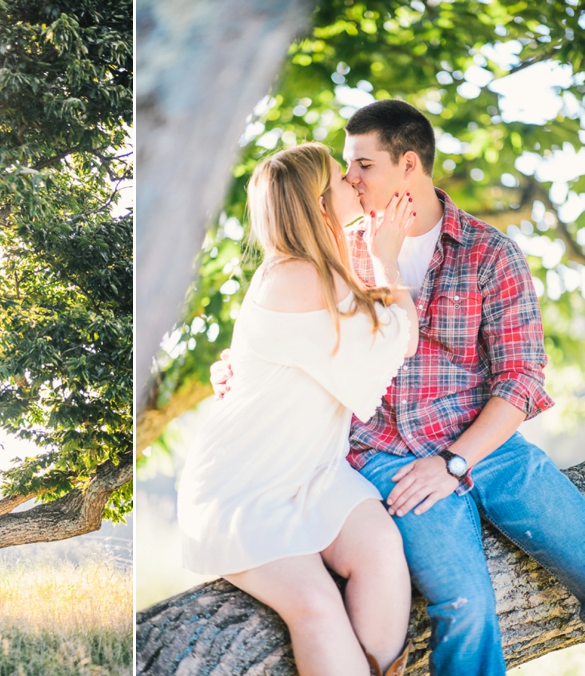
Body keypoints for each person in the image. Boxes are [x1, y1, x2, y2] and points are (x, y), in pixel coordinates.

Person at [211, 99, 585, 676]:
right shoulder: (336, 250)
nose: (350, 179)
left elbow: (522, 380)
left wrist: (455, 463)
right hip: (384, 455)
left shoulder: (490, 252)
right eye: (346, 166)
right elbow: (281, 325)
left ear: (408, 166)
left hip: (487, 445)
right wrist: (234, 362)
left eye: (363, 165)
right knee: (466, 605)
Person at [179, 141, 420, 676]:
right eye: (340, 178)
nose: (353, 182)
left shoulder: (316, 269)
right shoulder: (299, 276)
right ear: (318, 204)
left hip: (310, 468)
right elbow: (401, 338)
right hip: (246, 483)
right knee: (315, 605)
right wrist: (388, 258)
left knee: (381, 548)